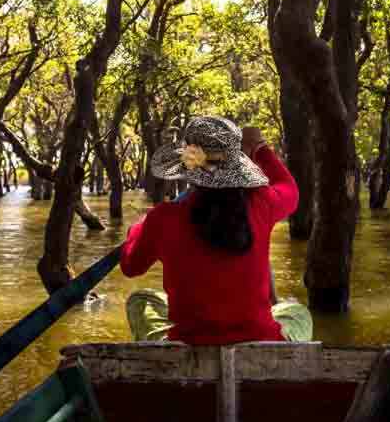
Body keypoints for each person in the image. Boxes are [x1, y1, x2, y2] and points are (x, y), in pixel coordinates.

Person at [120, 115, 313, 344]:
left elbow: (130, 266)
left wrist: (137, 229)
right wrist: (259, 149)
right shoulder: (262, 202)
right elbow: (290, 190)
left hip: (189, 347)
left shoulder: (163, 218)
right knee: (298, 312)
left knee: (140, 299)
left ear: (187, 166)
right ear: (237, 164)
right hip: (260, 341)